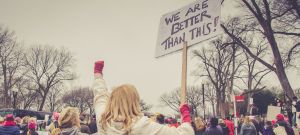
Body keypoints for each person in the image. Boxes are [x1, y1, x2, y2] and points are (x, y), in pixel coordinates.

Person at [93, 60, 194, 135]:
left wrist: (98, 74)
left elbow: (100, 95)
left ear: (111, 101)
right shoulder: (140, 125)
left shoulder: (102, 120)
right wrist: (185, 115)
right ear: (134, 102)